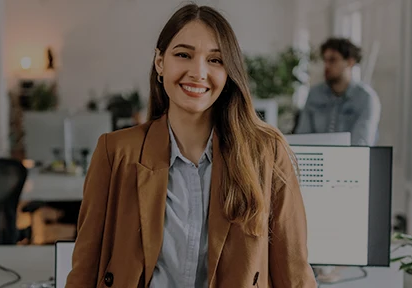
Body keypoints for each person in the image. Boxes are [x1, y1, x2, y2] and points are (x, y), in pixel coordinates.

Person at [66, 4, 315, 288]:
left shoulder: (266, 153)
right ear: (160, 62)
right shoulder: (115, 152)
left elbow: (294, 273)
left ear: (228, 71)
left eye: (215, 60)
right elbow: (84, 268)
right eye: (183, 55)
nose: (198, 72)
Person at [293, 38, 381, 146]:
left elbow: (360, 144)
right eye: (325, 60)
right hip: (317, 160)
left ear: (350, 62)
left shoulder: (366, 99)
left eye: (332, 60)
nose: (327, 66)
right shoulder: (314, 94)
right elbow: (302, 138)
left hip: (351, 161)